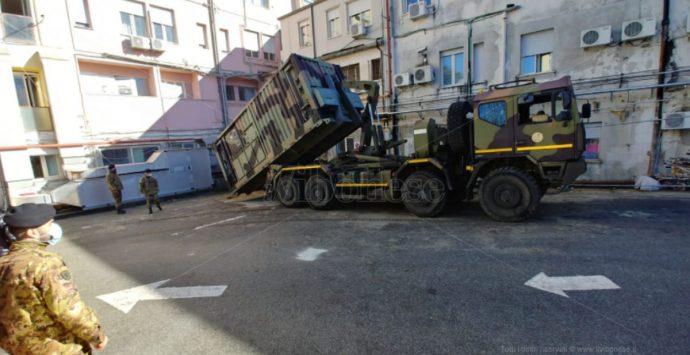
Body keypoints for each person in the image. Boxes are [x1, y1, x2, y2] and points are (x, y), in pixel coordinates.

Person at [0, 203, 108, 354]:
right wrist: (96, 335)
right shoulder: (46, 264)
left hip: (20, 349)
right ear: (31, 232)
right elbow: (69, 310)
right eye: (50, 224)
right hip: (58, 347)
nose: (54, 227)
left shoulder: (3, 264)